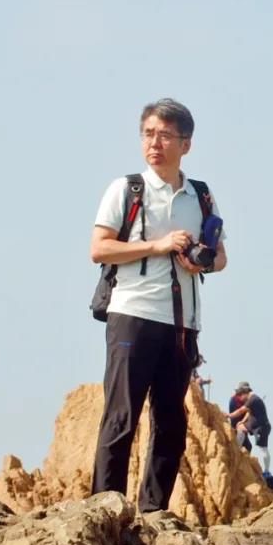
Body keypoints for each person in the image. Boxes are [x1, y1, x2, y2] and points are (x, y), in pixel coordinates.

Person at [89, 98, 227, 513]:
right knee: (121, 417)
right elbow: (99, 249)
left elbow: (220, 258)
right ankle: (104, 512)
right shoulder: (127, 189)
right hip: (132, 313)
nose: (155, 143)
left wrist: (198, 258)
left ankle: (152, 514)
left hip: (183, 321)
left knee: (171, 422)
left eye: (165, 135)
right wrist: (158, 245)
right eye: (149, 133)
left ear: (186, 144)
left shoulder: (200, 195)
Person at [230, 381, 271, 473]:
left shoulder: (252, 399)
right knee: (241, 427)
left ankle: (236, 449)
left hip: (259, 427)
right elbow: (248, 412)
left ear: (245, 392)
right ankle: (237, 448)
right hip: (258, 425)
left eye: (240, 394)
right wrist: (242, 421)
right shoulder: (254, 399)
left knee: (263, 449)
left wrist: (228, 415)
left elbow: (241, 411)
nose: (240, 397)